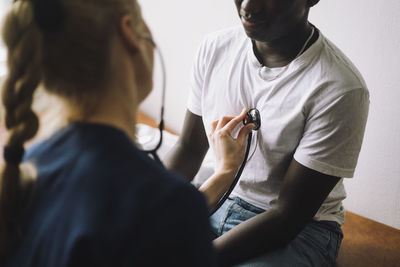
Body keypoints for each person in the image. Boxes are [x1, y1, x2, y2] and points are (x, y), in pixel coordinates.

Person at [0, 0, 254, 266]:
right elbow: (153, 217)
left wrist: (223, 173)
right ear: (129, 33)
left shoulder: (26, 169)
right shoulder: (167, 205)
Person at [165, 0, 370, 266]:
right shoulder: (215, 48)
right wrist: (150, 208)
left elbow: (288, 217)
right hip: (217, 199)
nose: (248, 5)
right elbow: (189, 148)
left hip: (298, 229)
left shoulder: (339, 89)